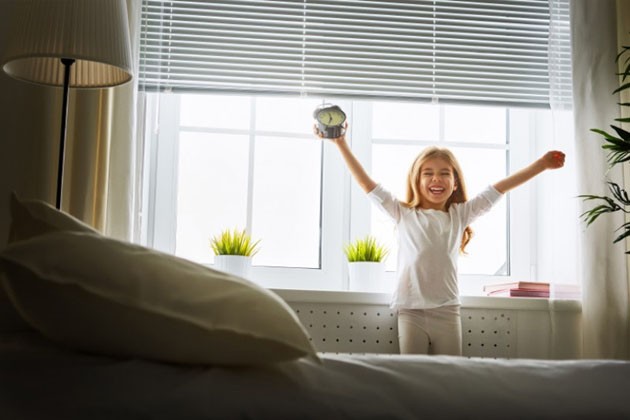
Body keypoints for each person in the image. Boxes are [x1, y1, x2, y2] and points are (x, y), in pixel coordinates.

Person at [315, 122, 565, 356]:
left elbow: (499, 188)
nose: (437, 179)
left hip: (447, 311)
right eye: (428, 173)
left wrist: (541, 165)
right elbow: (366, 184)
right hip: (410, 310)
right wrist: (340, 143)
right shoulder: (403, 213)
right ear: (417, 180)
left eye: (445, 173)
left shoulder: (460, 214)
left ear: (455, 183)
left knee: (449, 376)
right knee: (413, 376)